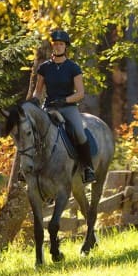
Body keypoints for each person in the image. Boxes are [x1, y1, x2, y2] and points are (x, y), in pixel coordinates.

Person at [31, 29, 96, 184]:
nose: (58, 47)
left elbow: (80, 93)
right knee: (32, 132)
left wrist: (65, 100)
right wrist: (33, 103)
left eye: (61, 44)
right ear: (52, 46)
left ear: (66, 47)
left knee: (80, 133)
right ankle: (27, 168)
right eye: (56, 44)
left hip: (68, 107)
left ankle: (88, 168)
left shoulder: (73, 67)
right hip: (49, 107)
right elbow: (38, 91)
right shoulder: (44, 67)